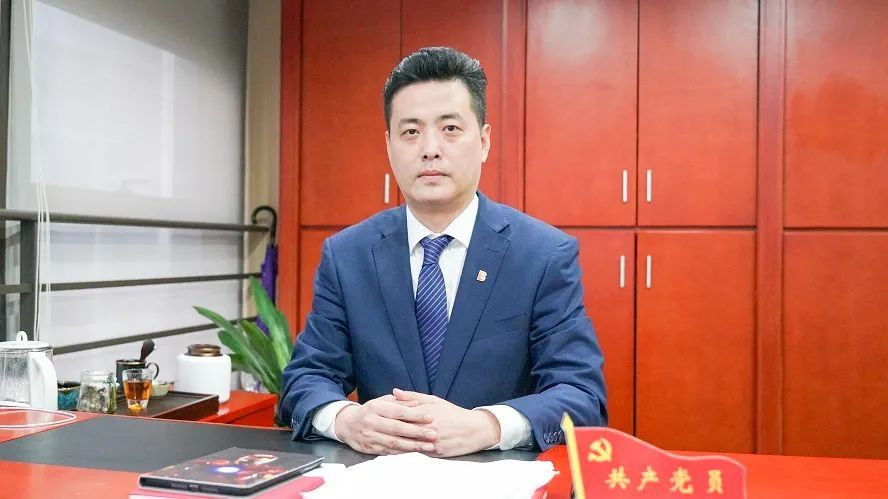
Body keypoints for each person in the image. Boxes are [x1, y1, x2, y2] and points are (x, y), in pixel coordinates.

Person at [279, 47, 606, 457]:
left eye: (450, 128)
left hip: (497, 478)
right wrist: (347, 420)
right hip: (383, 477)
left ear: (483, 142)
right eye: (411, 132)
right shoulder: (348, 256)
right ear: (389, 146)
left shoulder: (542, 255)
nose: (430, 149)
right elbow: (305, 379)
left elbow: (581, 395)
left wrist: (488, 426)